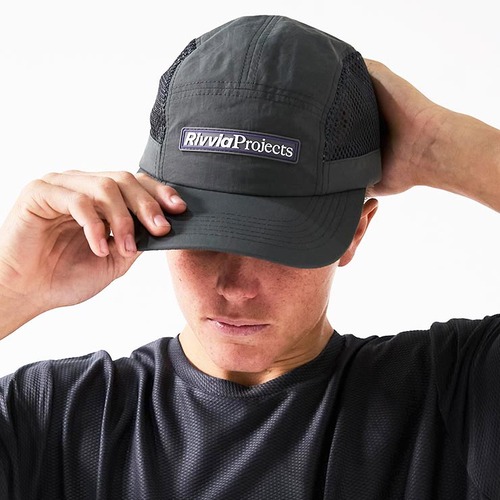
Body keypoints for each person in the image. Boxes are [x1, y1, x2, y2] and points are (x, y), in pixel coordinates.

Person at [0, 14, 499, 500]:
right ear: (148, 215)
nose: (236, 286)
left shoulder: (456, 403)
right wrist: (10, 287)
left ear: (355, 231)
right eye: (206, 237)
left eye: (278, 243)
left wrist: (437, 146)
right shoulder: (51, 421)